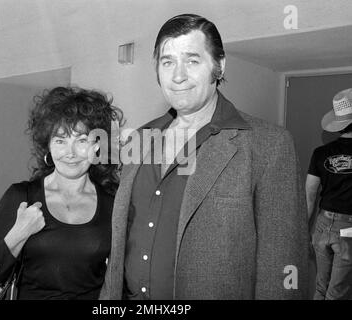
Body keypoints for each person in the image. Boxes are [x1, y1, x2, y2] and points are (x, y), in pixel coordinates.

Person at [100, 13, 309, 300]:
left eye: (192, 60)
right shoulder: (139, 139)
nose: (177, 75)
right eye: (167, 61)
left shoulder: (268, 144)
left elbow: (283, 261)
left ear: (219, 66)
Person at [0, 86, 123, 299]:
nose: (70, 153)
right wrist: (19, 234)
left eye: (81, 141)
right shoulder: (21, 197)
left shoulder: (113, 203)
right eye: (60, 140)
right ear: (49, 147)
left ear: (97, 146)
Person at [306, 88, 352, 300]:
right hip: (348, 228)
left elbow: (309, 195)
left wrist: (304, 230)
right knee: (337, 292)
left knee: (321, 287)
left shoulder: (320, 153)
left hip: (323, 224)